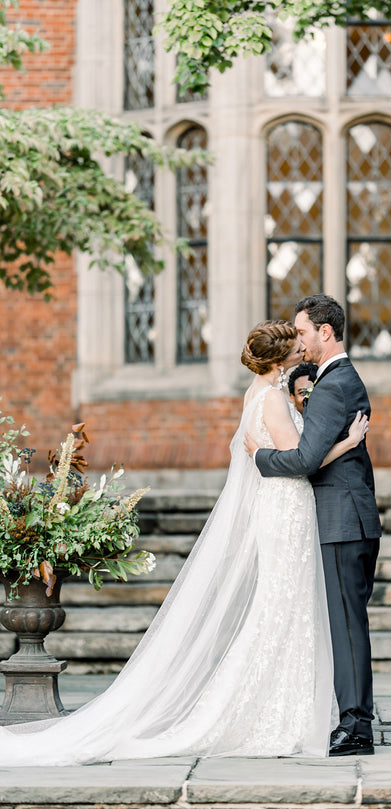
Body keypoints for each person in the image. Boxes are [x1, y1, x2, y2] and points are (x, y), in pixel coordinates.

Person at [0, 319, 367, 766]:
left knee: (282, 609)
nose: (301, 351)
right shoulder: (271, 399)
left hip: (281, 509)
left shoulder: (259, 394)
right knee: (284, 608)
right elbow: (301, 462)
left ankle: (282, 708)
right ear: (279, 358)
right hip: (286, 509)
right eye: (294, 347)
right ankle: (271, 713)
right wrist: (347, 442)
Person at [245, 296, 381, 757]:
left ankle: (356, 728)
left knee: (345, 625)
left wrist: (259, 456)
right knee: (346, 622)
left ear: (326, 332)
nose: (298, 343)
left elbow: (303, 459)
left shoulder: (334, 385)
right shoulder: (329, 381)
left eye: (302, 333)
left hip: (342, 520)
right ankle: (353, 716)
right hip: (345, 517)